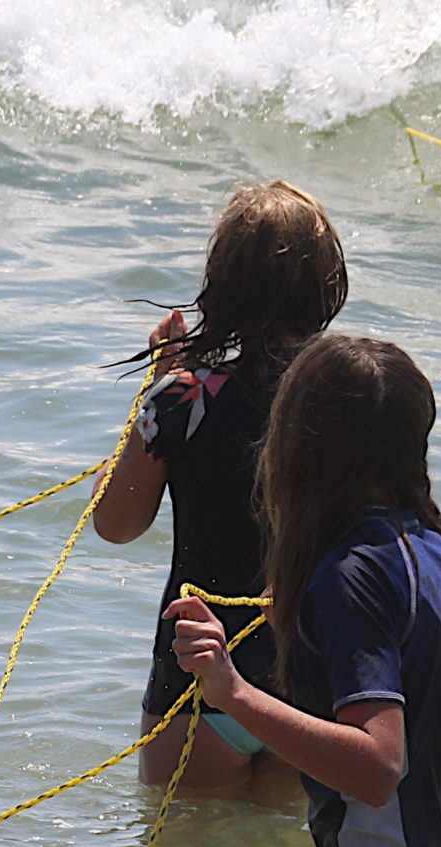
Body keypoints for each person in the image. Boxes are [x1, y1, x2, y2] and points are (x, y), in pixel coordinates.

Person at [166, 334, 441, 847]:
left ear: (299, 444)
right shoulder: (435, 550)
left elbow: (378, 765)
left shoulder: (347, 578)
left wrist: (232, 691)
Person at [92, 180, 349, 794]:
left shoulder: (184, 394)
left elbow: (115, 523)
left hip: (197, 674)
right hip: (315, 680)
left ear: (223, 285)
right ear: (327, 285)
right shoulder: (349, 391)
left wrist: (158, 386)